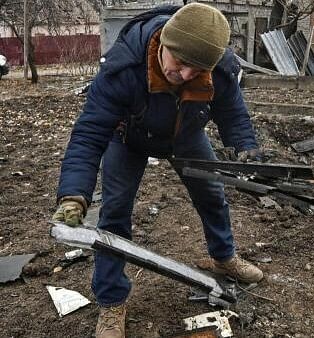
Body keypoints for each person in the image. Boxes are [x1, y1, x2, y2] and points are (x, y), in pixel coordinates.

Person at [51, 4, 263, 338]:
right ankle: (111, 303)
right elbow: (90, 134)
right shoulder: (124, 68)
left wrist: (246, 146)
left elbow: (232, 111)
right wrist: (73, 193)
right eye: (181, 65)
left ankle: (224, 257)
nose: (188, 76)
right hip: (129, 139)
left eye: (198, 71)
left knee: (212, 196)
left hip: (187, 135)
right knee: (116, 212)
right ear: (164, 43)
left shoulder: (218, 65)